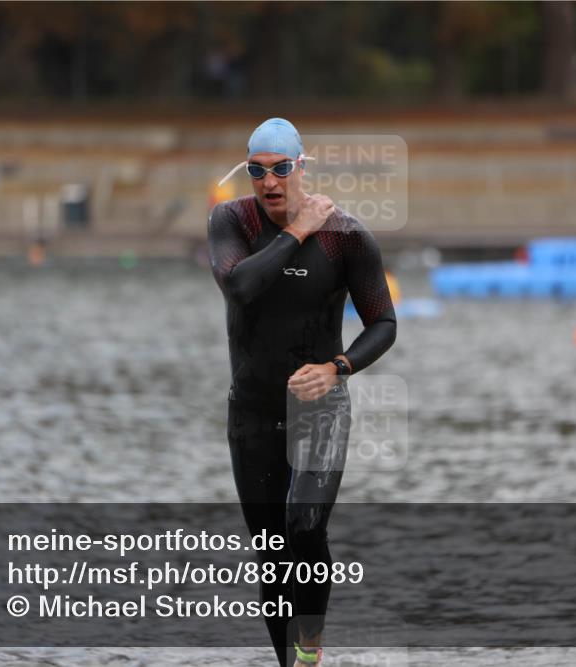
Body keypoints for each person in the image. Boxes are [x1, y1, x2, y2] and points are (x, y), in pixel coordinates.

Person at [207, 118, 397, 666]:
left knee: (303, 524)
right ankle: (289, 665)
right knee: (271, 554)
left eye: (281, 169)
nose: (270, 182)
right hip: (253, 412)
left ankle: (309, 650)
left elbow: (383, 324)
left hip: (321, 409)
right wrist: (297, 232)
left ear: (301, 168)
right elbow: (241, 286)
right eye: (258, 171)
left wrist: (338, 366)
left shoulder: (347, 237)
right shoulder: (231, 221)